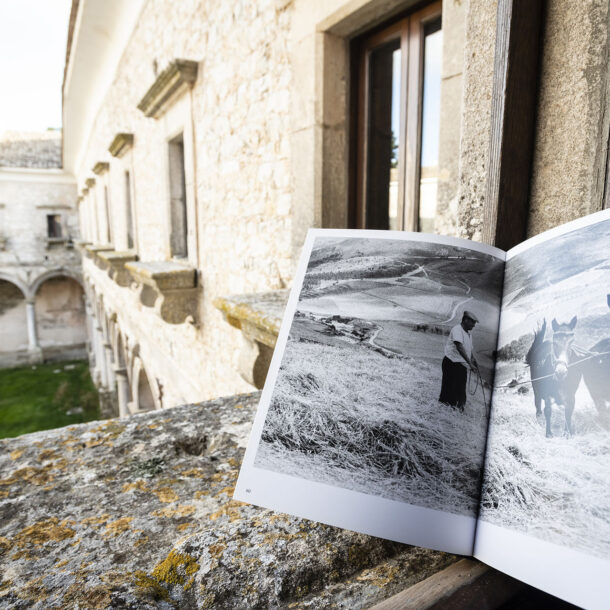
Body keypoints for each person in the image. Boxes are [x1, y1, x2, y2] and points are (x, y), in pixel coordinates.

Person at [439, 310, 479, 411]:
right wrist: (470, 363)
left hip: (460, 365)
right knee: (450, 386)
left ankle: (457, 408)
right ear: (465, 320)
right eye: (472, 322)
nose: (474, 325)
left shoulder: (468, 334)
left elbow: (469, 349)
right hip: (451, 363)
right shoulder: (457, 329)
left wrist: (473, 360)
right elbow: (460, 347)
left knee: (460, 388)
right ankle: (447, 409)